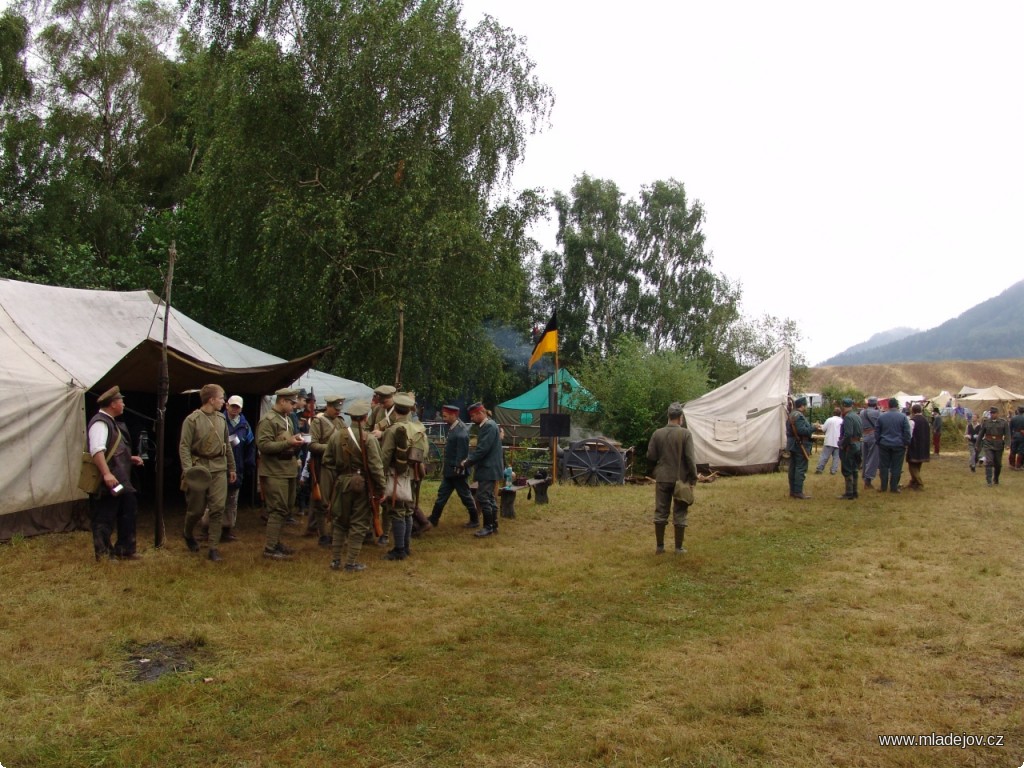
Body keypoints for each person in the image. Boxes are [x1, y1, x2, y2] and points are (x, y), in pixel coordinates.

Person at [323, 400, 386, 571]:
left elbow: (327, 460)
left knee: (340, 520)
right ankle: (350, 562)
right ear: (365, 418)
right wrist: (381, 488)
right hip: (362, 484)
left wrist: (342, 471)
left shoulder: (336, 436)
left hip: (342, 482)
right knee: (359, 523)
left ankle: (335, 560)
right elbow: (376, 467)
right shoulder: (369, 438)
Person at [179, 384, 236, 562]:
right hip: (199, 469)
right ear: (211, 400)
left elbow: (226, 445)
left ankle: (213, 547)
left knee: (218, 508)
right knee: (196, 510)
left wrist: (232, 467)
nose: (223, 401)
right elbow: (184, 447)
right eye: (221, 398)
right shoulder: (192, 420)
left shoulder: (221, 418)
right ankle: (188, 533)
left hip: (219, 467)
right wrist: (189, 471)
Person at [87, 386, 144, 561]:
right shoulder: (100, 423)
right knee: (105, 515)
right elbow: (97, 451)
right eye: (121, 401)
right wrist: (106, 474)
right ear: (113, 404)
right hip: (110, 479)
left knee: (128, 508)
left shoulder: (110, 421)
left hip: (121, 478)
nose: (124, 404)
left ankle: (125, 549)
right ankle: (103, 553)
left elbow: (114, 448)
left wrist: (130, 457)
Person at [258, 388, 306, 559]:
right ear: (282, 401)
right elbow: (263, 445)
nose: (295, 406)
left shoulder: (286, 419)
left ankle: (276, 542)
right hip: (274, 471)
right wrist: (288, 444)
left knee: (285, 508)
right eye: (292, 403)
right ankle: (270, 549)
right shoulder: (268, 420)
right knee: (277, 509)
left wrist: (295, 442)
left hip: (288, 469)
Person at [200, 394, 255, 543]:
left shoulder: (245, 425)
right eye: (232, 406)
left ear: (241, 408)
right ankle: (207, 528)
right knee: (214, 500)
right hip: (217, 466)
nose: (234, 409)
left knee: (232, 500)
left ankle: (227, 529)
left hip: (237, 467)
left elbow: (250, 446)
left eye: (237, 407)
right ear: (227, 406)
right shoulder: (218, 420)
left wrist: (249, 463)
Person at [646, 401, 698, 553]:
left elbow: (650, 456)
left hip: (662, 477)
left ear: (668, 416)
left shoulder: (657, 433)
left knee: (661, 511)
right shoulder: (686, 434)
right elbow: (690, 459)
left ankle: (660, 547)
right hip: (680, 479)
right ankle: (678, 547)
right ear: (680, 417)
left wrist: (655, 470)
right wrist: (693, 478)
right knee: (680, 512)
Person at [378, 392, 418, 559]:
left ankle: (399, 549)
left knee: (396, 511)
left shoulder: (393, 430)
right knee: (408, 510)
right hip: (411, 473)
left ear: (395, 410)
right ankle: (406, 547)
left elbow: (385, 457)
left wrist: (379, 477)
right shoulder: (417, 427)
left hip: (395, 475)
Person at [427, 405, 478, 528]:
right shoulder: (453, 428)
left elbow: (462, 455)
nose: (443, 419)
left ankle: (475, 520)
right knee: (442, 495)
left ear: (453, 415)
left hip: (457, 472)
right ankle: (434, 519)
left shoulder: (461, 432)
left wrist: (458, 469)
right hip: (450, 471)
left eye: (445, 416)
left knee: (465, 496)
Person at [460, 401, 504, 537]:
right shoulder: (488, 425)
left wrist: (468, 462)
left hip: (488, 468)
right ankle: (494, 525)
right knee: (490, 497)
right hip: (490, 467)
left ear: (481, 413)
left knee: (483, 496)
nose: (472, 419)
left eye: (473, 416)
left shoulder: (489, 427)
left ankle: (488, 527)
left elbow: (482, 449)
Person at [307, 395, 345, 547]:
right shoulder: (318, 422)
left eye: (339, 409)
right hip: (323, 466)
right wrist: (332, 448)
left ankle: (335, 534)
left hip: (339, 466)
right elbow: (312, 445)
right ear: (328, 406)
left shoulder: (341, 422)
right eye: (335, 408)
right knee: (321, 502)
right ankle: (323, 535)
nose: (337, 411)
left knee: (337, 503)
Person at [876, 397, 911, 493]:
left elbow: (877, 431)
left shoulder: (882, 417)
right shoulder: (903, 417)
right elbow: (907, 432)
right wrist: (906, 442)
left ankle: (883, 487)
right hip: (898, 445)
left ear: (888, 405)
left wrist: (878, 441)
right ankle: (894, 487)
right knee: (896, 467)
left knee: (884, 466)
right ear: (897, 406)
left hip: (884, 444)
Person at [786, 397, 813, 499]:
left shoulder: (792, 415)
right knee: (800, 468)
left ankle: (793, 491)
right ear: (802, 406)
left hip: (793, 444)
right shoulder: (799, 416)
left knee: (793, 467)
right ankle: (797, 491)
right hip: (799, 444)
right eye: (805, 405)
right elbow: (802, 431)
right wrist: (813, 427)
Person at [977, 405, 1011, 486]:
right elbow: (981, 434)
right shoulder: (986, 422)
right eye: (991, 413)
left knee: (998, 464)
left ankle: (996, 478)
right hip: (988, 444)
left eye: (994, 413)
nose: (993, 415)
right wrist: (977, 444)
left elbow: (1007, 434)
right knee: (989, 462)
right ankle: (989, 481)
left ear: (998, 414)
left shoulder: (1003, 422)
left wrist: (1007, 444)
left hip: (999, 444)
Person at [837, 398, 863, 500]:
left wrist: (842, 444)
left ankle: (849, 492)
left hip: (850, 446)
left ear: (843, 406)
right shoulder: (857, 416)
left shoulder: (848, 417)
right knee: (855, 469)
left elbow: (848, 434)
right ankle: (855, 491)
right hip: (857, 444)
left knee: (847, 469)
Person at [906, 404, 931, 491]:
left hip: (915, 445)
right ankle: (913, 482)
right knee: (918, 464)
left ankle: (919, 484)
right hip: (924, 445)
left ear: (912, 411)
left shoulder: (912, 421)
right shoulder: (926, 420)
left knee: (912, 465)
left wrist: (906, 443)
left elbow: (909, 434)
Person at [859, 396, 881, 489]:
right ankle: (868, 479)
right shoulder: (877, 413)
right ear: (876, 404)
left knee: (865, 458)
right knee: (873, 458)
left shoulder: (862, 412)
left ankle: (865, 476)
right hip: (873, 436)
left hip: (865, 436)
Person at [815, 407, 843, 475]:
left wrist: (819, 426)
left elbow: (823, 429)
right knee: (836, 458)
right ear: (840, 414)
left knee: (824, 456)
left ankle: (819, 469)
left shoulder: (829, 420)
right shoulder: (842, 421)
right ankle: (833, 471)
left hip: (829, 441)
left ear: (833, 413)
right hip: (838, 442)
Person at [1009, 406, 1024, 470]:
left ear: (1018, 411)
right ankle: (1018, 465)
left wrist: (1011, 436)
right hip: (1022, 435)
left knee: (1013, 450)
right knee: (1021, 450)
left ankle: (1012, 464)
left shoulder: (1013, 418)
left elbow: (1010, 428)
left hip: (1014, 435)